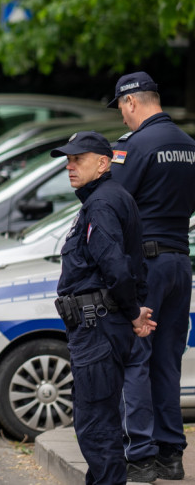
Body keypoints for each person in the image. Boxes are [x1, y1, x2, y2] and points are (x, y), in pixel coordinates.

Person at [50, 130, 156, 485]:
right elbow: (133, 264)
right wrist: (133, 310)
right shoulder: (111, 198)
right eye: (68, 160)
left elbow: (116, 265)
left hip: (97, 326)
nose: (70, 167)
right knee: (100, 422)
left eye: (78, 159)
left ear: (103, 162)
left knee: (95, 425)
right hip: (102, 324)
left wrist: (131, 312)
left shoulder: (102, 203)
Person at [105, 72, 195, 482]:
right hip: (180, 261)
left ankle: (140, 456)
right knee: (167, 361)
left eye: (122, 111)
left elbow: (113, 201)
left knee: (136, 358)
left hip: (147, 265)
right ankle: (172, 454)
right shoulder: (189, 146)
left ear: (131, 103)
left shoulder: (135, 146)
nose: (123, 119)